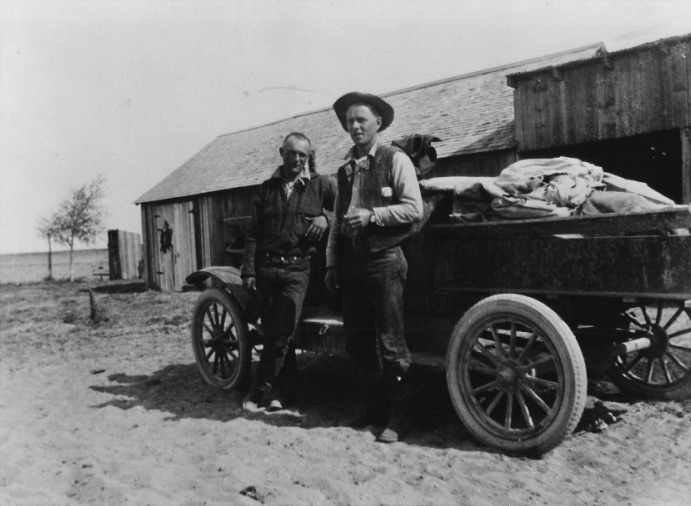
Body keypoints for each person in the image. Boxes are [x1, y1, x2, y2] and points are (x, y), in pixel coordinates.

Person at [325, 92, 423, 443]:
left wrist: (373, 216)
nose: (354, 126)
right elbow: (337, 222)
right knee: (358, 342)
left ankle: (401, 416)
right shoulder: (344, 170)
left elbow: (414, 209)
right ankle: (374, 410)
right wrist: (332, 263)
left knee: (391, 343)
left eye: (361, 120)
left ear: (377, 123)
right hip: (352, 265)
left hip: (384, 261)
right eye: (349, 121)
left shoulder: (395, 159)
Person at [242, 132, 336, 412]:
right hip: (266, 270)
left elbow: (345, 209)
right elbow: (252, 235)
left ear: (308, 156)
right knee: (275, 333)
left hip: (298, 270)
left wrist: (326, 218)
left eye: (302, 155)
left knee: (281, 332)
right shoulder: (265, 190)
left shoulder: (321, 185)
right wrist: (249, 271)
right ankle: (282, 394)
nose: (296, 159)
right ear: (281, 152)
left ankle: (258, 391)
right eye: (291, 153)